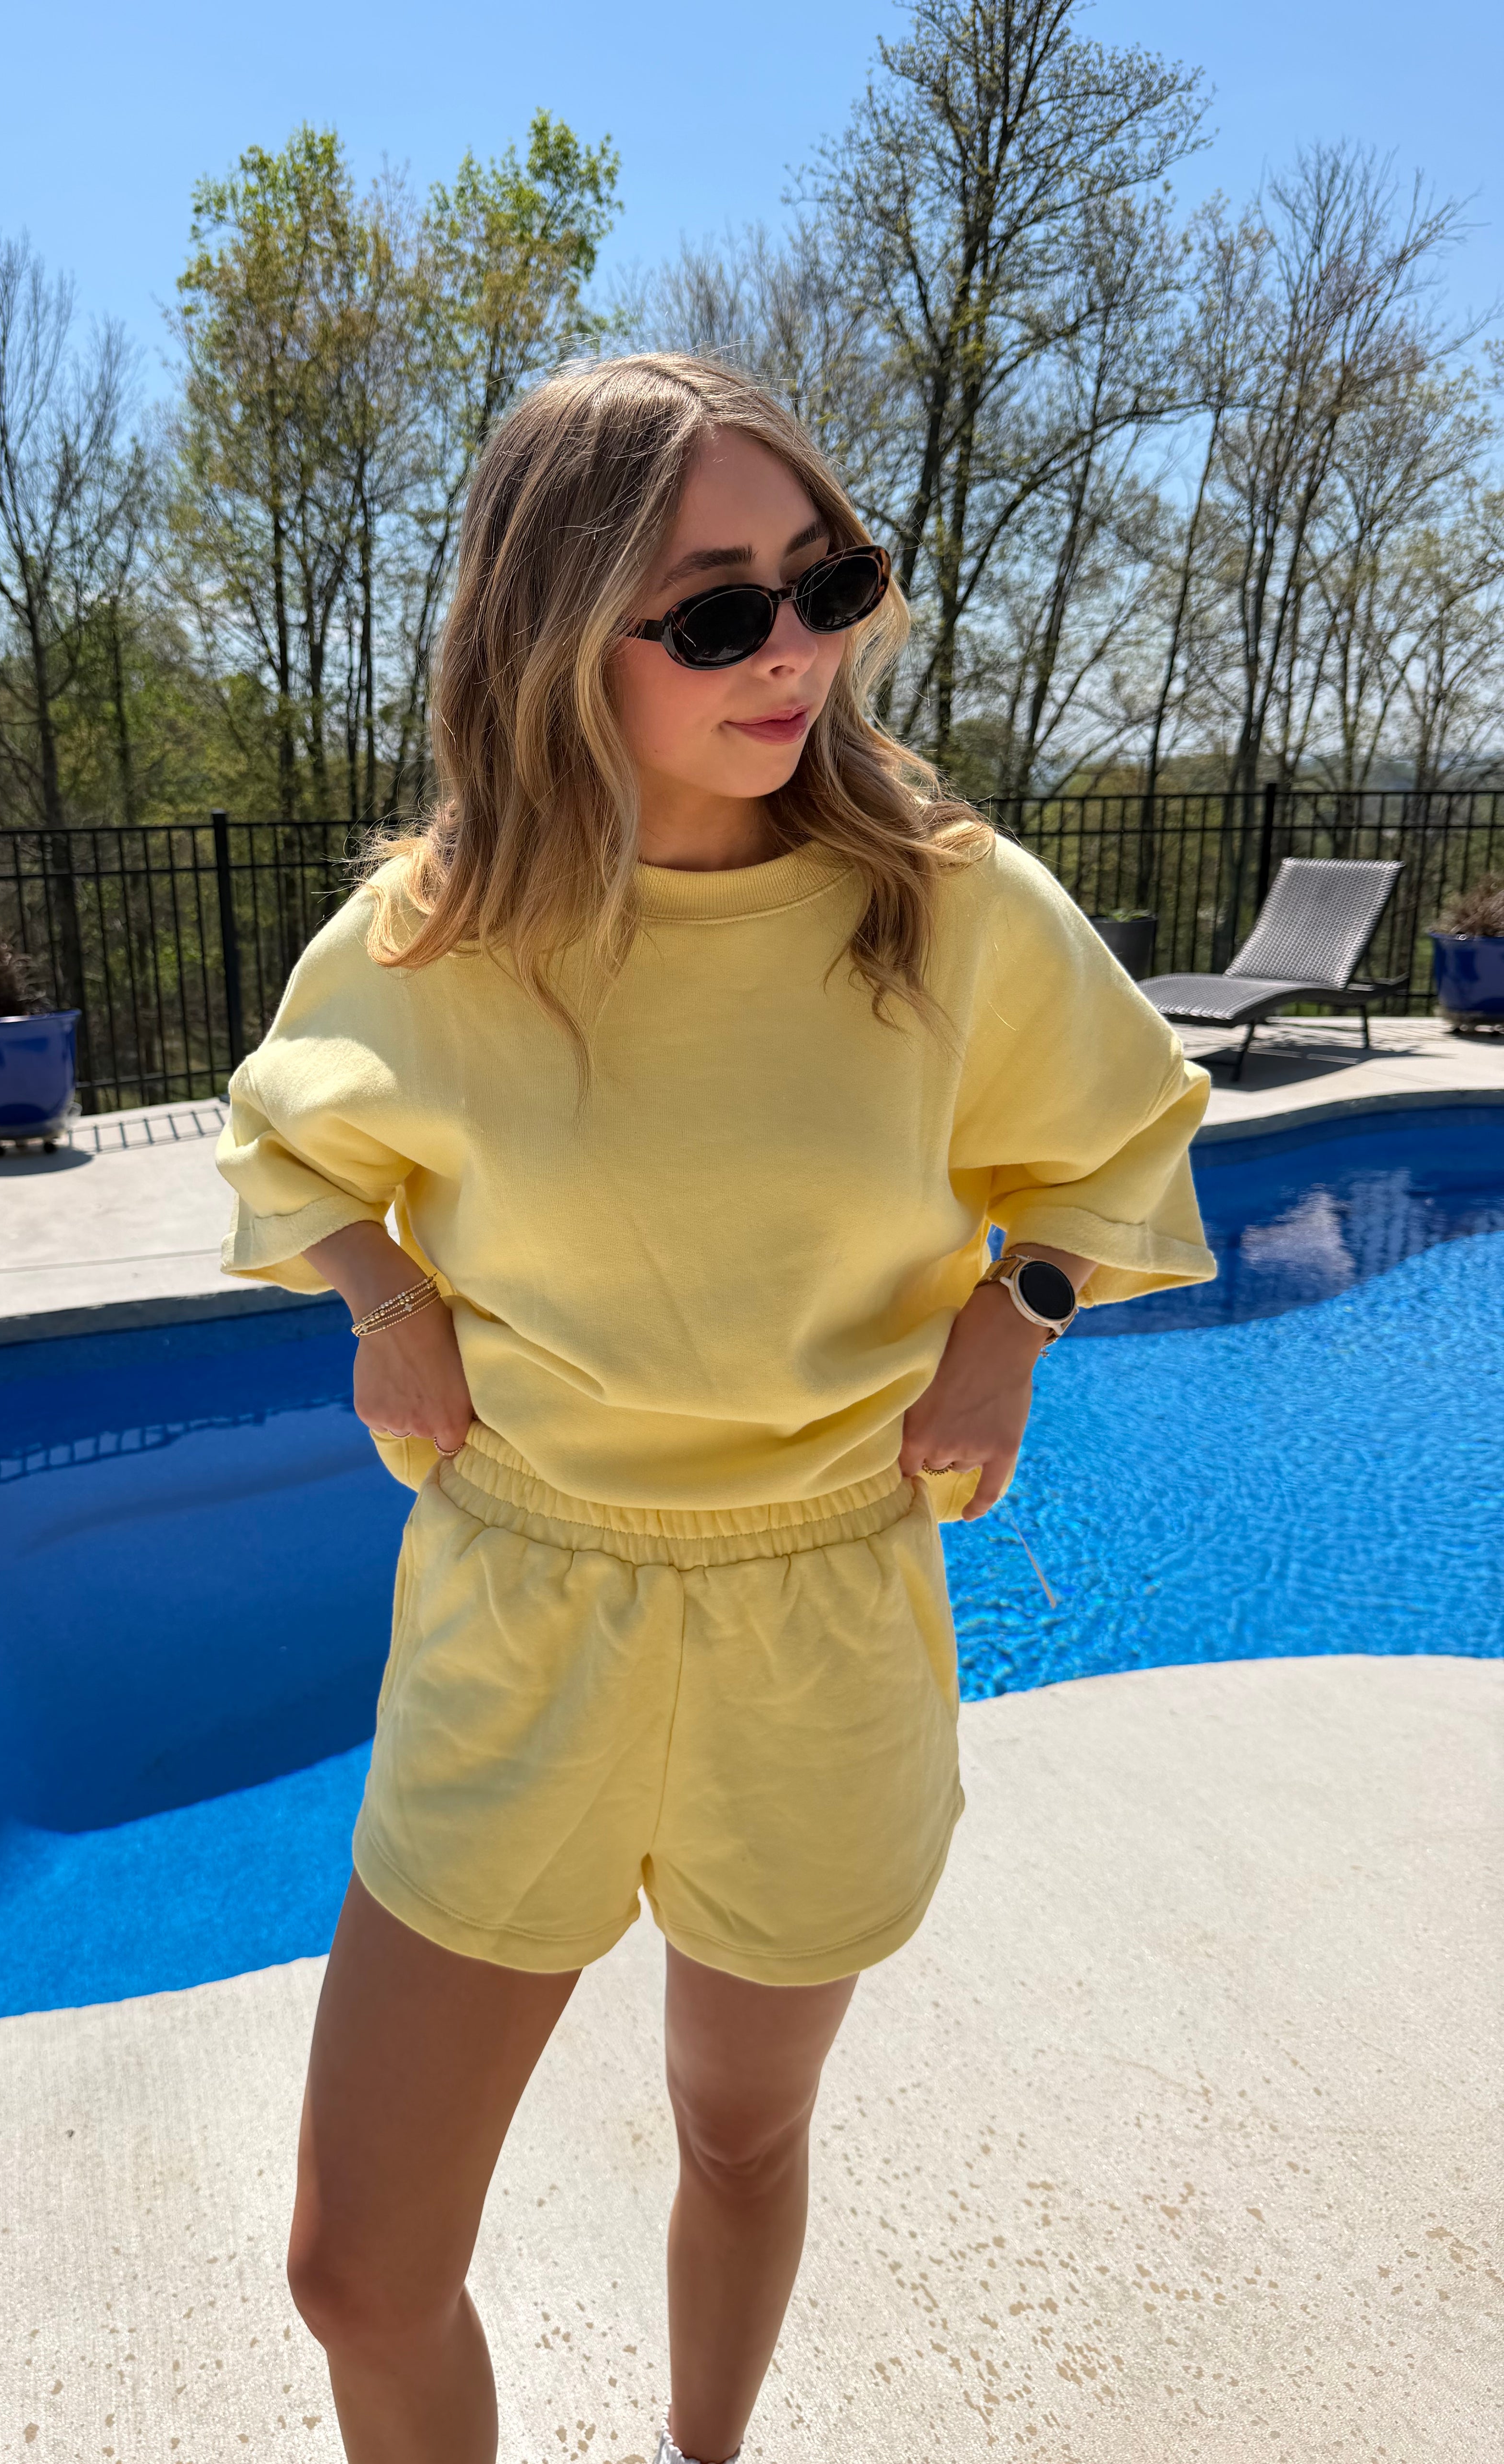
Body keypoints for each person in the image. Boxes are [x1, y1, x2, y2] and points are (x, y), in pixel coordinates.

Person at [215, 352, 1215, 2464]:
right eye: (716, 608)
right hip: (526, 1607)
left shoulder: (941, 902)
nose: (799, 649)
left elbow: (1119, 1150)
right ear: (559, 631)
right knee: (355, 2266)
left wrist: (1013, 1311)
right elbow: (286, 1153)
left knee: (739, 2131)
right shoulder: (436, 936)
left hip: (818, 1613)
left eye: (825, 577)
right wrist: (382, 1295)